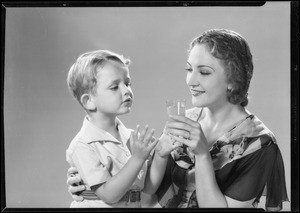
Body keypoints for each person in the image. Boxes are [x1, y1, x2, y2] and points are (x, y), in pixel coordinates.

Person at [66, 29, 289, 211]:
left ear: (234, 78)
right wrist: (89, 185)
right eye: (189, 69)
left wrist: (202, 154)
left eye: (204, 72)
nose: (190, 81)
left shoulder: (260, 145)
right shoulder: (186, 119)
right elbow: (145, 192)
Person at [65, 49, 160, 208]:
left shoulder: (130, 137)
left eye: (128, 83)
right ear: (88, 101)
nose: (127, 91)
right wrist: (137, 158)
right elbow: (109, 195)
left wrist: (162, 156)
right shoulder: (82, 145)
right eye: (115, 87)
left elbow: (148, 188)